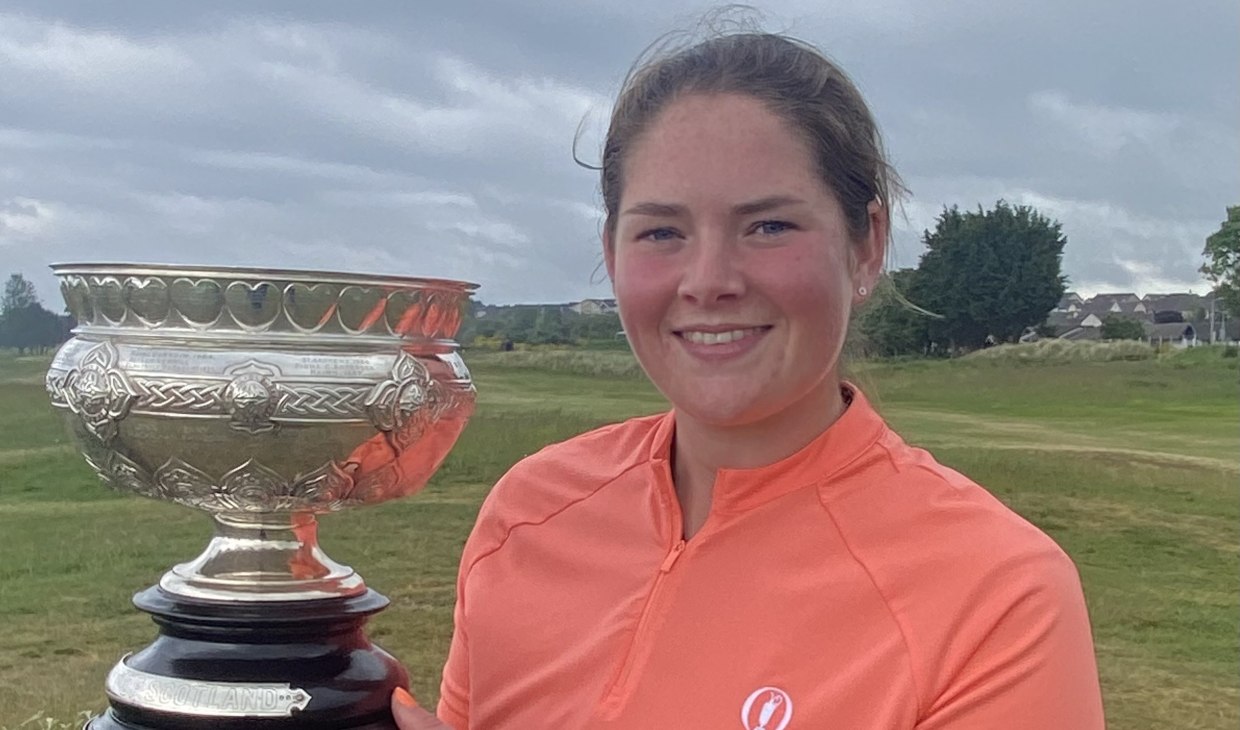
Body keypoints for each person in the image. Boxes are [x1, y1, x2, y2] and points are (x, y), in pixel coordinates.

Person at [392, 24, 1106, 730]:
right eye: (662, 232)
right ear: (612, 253)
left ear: (867, 246)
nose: (709, 281)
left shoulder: (995, 594)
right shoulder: (529, 513)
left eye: (768, 227)